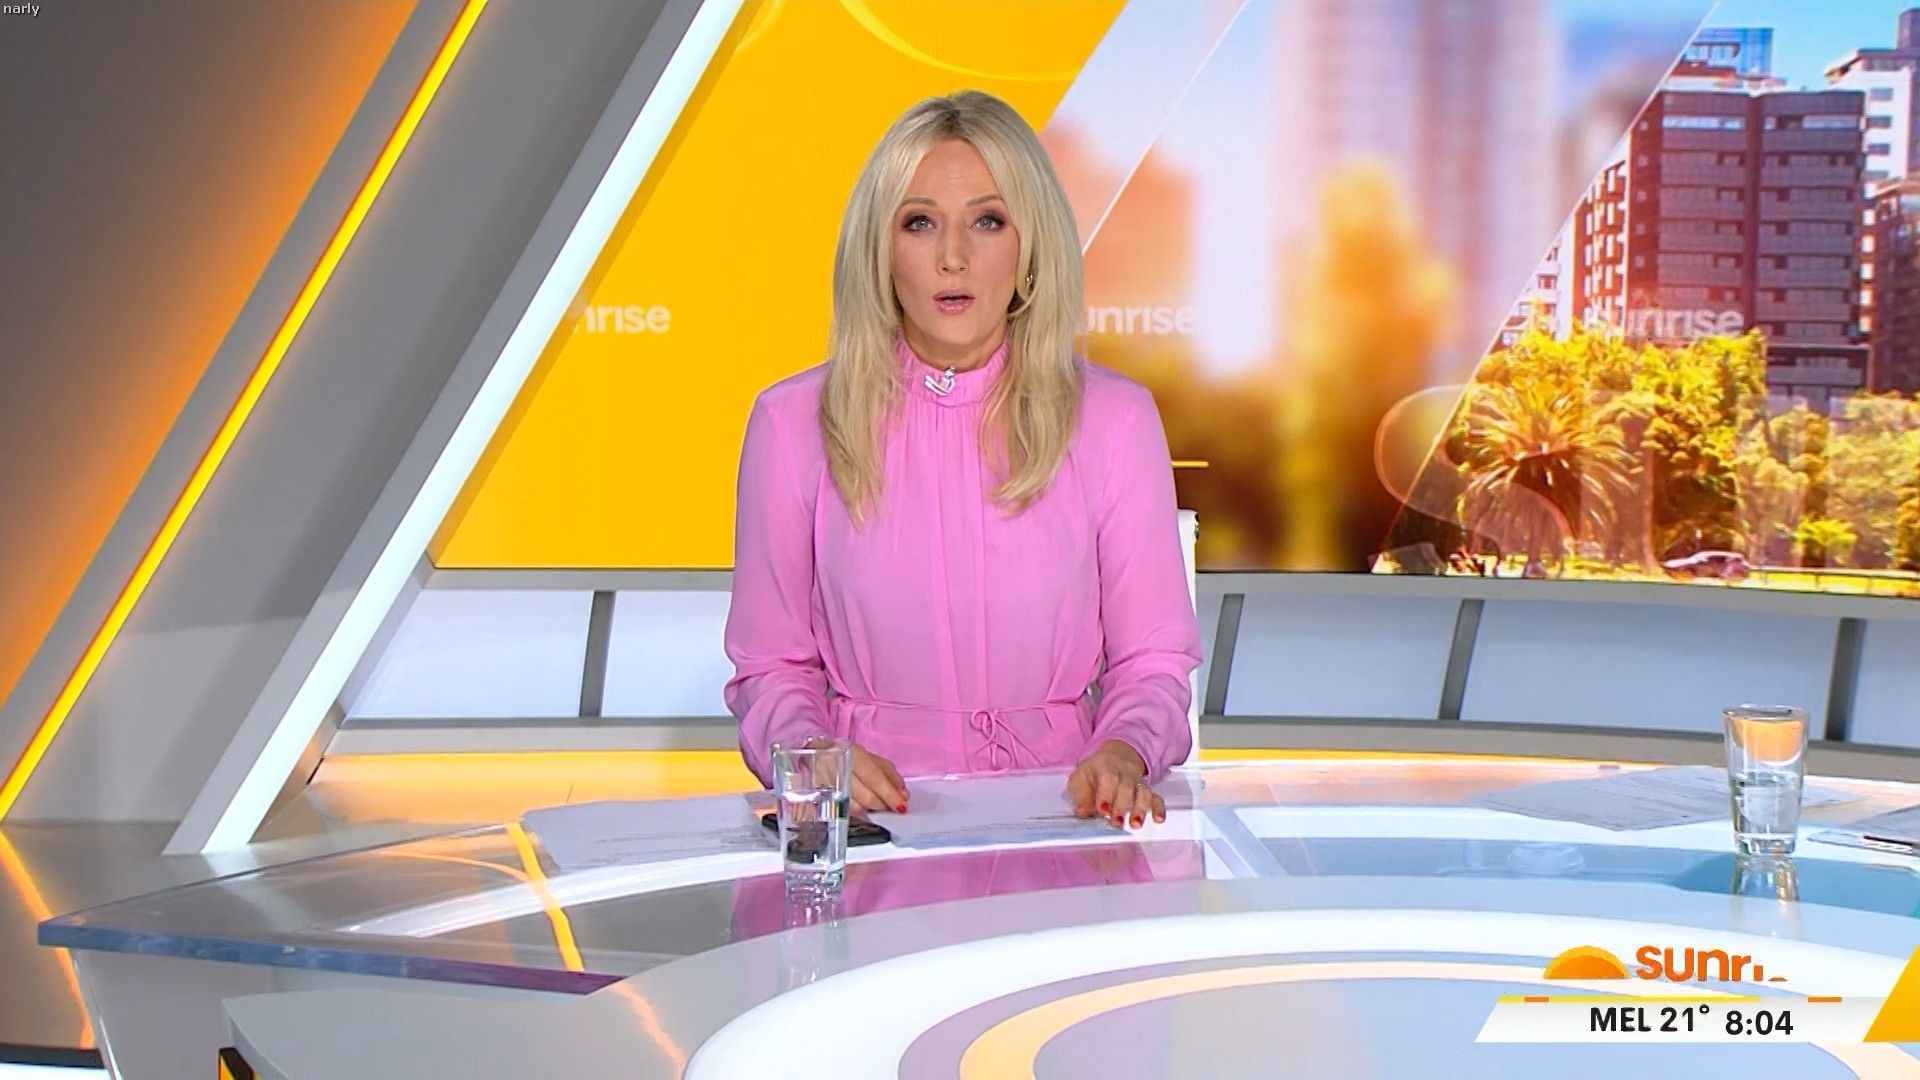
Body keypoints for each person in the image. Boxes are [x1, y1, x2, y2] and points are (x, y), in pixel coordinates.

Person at [723, 90, 1201, 831]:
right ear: (880, 250)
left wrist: (1124, 751)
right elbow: (770, 667)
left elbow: (1153, 663)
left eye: (987, 221)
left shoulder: (1115, 421)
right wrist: (815, 754)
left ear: (1029, 246)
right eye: (920, 223)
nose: (954, 257)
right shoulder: (791, 426)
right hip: (875, 825)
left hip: (1062, 819)